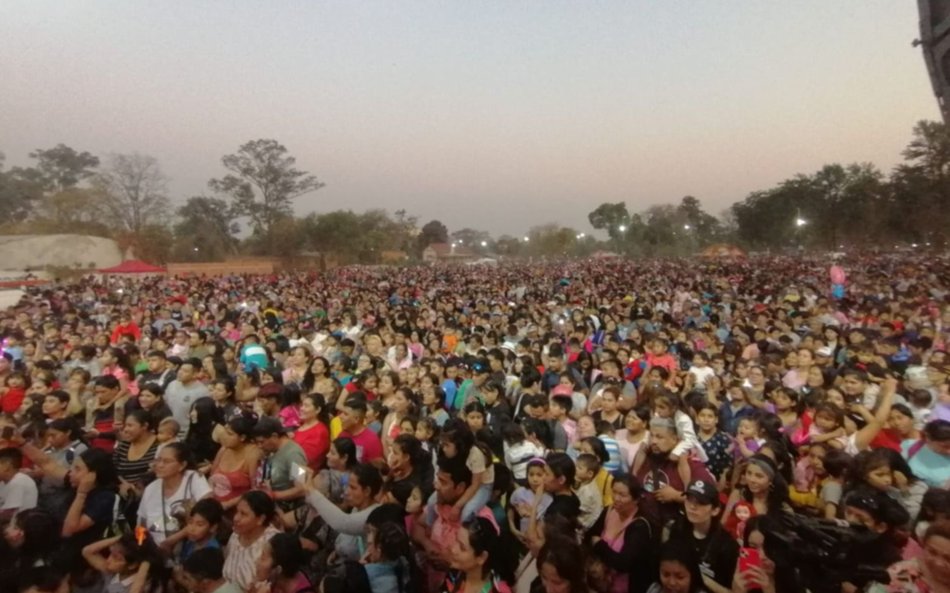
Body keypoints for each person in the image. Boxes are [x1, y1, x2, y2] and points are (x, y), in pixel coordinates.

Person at [587, 473, 657, 593]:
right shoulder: (610, 510)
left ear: (636, 499)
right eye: (614, 492)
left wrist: (599, 545)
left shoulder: (640, 526)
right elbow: (590, 534)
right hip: (601, 583)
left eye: (622, 495)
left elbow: (623, 563)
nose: (616, 498)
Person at [666, 479, 738, 593]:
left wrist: (698, 576)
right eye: (689, 500)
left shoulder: (727, 546)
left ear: (715, 510)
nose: (692, 507)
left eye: (701, 503)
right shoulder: (678, 529)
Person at [138, 442, 212, 546]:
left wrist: (170, 541)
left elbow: (208, 511)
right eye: (158, 460)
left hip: (187, 546)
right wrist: (141, 546)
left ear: (182, 465)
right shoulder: (151, 488)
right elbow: (141, 526)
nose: (159, 465)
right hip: (155, 551)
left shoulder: (193, 478)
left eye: (166, 461)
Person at [868, 520, 950, 593]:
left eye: (948, 558)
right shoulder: (901, 573)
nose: (938, 563)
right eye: (932, 552)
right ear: (923, 547)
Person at [223, 490, 282, 591]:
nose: (236, 518)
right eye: (237, 511)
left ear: (261, 519)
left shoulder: (274, 542)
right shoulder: (235, 535)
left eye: (243, 514)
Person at [441, 516, 515, 593]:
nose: (453, 549)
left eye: (462, 548)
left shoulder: (497, 591)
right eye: (456, 540)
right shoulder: (454, 574)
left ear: (482, 557)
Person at [254, 416, 308, 507]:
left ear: (274, 436)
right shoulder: (272, 450)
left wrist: (272, 496)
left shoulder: (294, 455)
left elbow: (301, 489)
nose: (259, 446)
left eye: (262, 442)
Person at [209, 415, 260, 509]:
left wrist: (227, 504)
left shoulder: (253, 455)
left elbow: (255, 490)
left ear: (242, 437)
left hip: (238, 509)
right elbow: (211, 477)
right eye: (224, 432)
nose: (224, 436)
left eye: (229, 434)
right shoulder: (224, 449)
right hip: (214, 506)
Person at [293, 393, 331, 470]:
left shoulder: (320, 432)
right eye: (302, 405)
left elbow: (306, 460)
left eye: (306, 406)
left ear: (318, 410)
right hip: (292, 467)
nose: (301, 408)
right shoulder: (302, 424)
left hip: (304, 473)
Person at [0, 447, 38, 518]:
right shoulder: (3, 482)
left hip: (18, 525)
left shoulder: (19, 481)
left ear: (7, 466)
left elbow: (8, 513)